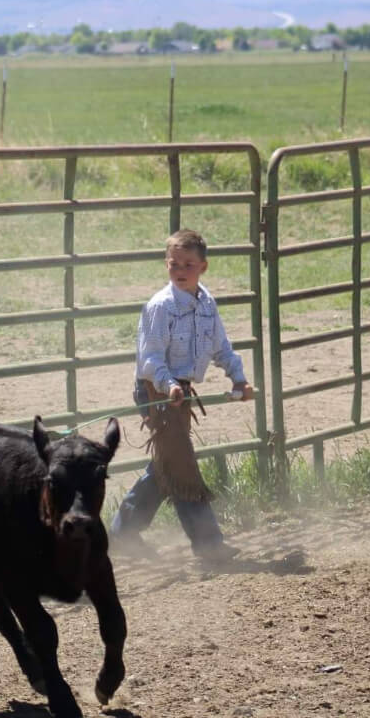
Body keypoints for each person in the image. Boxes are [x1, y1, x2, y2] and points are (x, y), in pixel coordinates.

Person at [110, 228, 253, 563]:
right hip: (154, 390)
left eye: (188, 264)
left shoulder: (206, 304)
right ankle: (209, 545)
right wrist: (168, 384)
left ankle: (122, 532)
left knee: (167, 466)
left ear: (203, 267)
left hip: (179, 391)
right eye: (174, 264)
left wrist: (239, 378)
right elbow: (151, 359)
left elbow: (221, 347)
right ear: (166, 265)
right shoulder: (160, 307)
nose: (180, 270)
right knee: (182, 466)